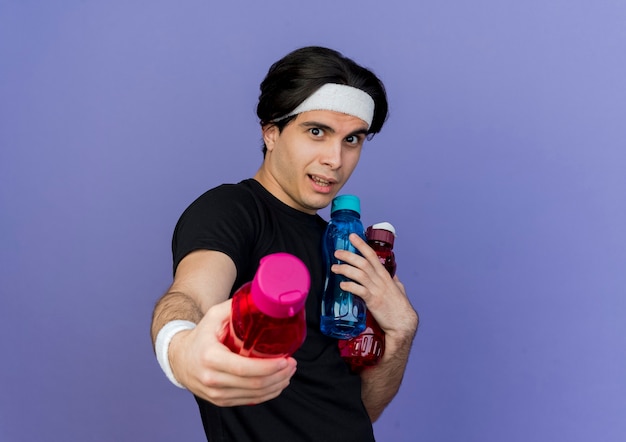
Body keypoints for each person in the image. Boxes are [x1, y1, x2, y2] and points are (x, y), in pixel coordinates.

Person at [150, 45, 419, 441]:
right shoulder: (232, 210)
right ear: (271, 131)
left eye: (353, 139)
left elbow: (356, 413)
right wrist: (181, 350)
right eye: (317, 132)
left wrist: (399, 333)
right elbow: (190, 294)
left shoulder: (336, 242)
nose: (335, 159)